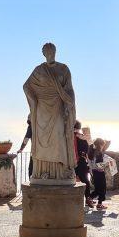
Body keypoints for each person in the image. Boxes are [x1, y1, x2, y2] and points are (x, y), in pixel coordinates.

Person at [23, 43, 77, 181]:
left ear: (55, 51)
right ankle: (43, 172)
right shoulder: (39, 70)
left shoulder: (63, 69)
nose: (50, 53)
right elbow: (27, 86)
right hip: (41, 109)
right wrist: (34, 102)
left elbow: (69, 89)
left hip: (57, 107)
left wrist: (67, 102)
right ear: (44, 53)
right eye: (47, 51)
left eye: (52, 51)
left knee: (59, 137)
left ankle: (60, 172)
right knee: (42, 141)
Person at [89, 138, 117, 210]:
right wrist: (107, 163)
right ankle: (99, 203)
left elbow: (92, 164)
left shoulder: (92, 152)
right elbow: (99, 165)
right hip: (99, 173)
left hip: (94, 172)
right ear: (101, 145)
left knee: (98, 188)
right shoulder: (99, 153)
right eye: (103, 145)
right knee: (102, 189)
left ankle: (90, 198)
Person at [73, 121, 93, 203]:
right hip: (81, 161)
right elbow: (88, 150)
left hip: (71, 161)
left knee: (71, 180)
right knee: (85, 180)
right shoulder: (83, 138)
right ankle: (88, 198)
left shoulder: (69, 137)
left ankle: (75, 198)